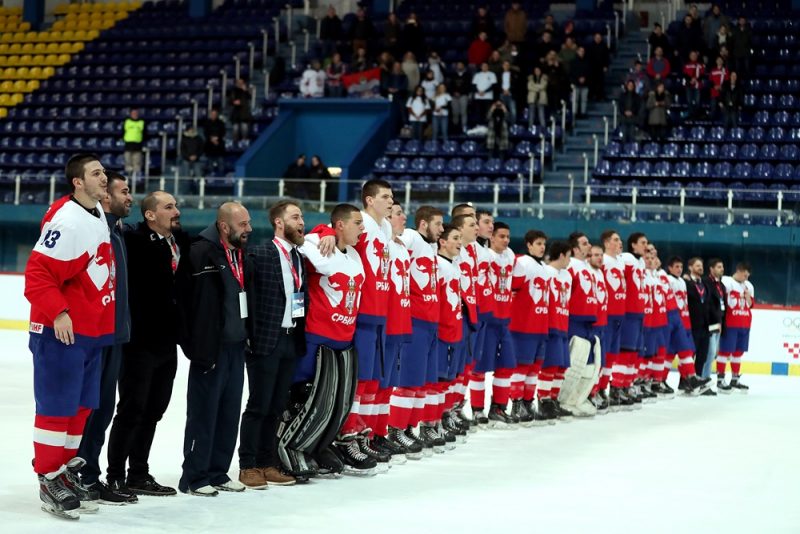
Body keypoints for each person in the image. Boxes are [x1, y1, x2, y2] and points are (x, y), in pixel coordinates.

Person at [25, 153, 115, 519]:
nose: (104, 177)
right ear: (78, 182)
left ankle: (62, 470)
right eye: (96, 173)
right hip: (62, 332)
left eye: (104, 171)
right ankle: (48, 476)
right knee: (57, 406)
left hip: (91, 331)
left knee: (80, 406)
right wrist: (58, 312)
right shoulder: (68, 219)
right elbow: (37, 273)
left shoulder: (96, 212)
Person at [106, 190, 187, 498]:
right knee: (131, 409)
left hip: (168, 344)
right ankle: (115, 476)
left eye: (176, 204)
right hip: (138, 343)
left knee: (154, 410)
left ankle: (138, 472)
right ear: (151, 215)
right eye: (169, 206)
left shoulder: (178, 242)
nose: (176, 210)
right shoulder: (134, 241)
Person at [178, 202, 253, 496]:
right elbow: (185, 307)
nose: (248, 229)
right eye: (242, 224)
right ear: (224, 226)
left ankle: (218, 471)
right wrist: (196, 349)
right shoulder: (199, 253)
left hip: (236, 348)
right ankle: (194, 477)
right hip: (211, 350)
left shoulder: (240, 253)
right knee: (204, 414)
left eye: (248, 223)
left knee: (228, 413)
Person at [291, 204, 371, 473]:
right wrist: (323, 230)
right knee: (304, 397)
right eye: (357, 223)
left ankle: (320, 445)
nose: (362, 228)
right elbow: (301, 240)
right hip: (318, 337)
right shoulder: (318, 241)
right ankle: (292, 447)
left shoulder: (356, 256)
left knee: (335, 403)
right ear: (340, 225)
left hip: (344, 341)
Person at [238, 201, 307, 489]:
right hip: (265, 340)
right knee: (259, 405)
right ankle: (248, 465)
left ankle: (267, 462)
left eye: (301, 216)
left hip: (290, 339)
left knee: (277, 406)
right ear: (279, 222)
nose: (301, 221)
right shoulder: (261, 252)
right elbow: (249, 297)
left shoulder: (298, 256)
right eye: (295, 217)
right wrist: (249, 335)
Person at [75, 171, 133, 505]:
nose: (130, 198)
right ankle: (78, 474)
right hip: (96, 336)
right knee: (90, 409)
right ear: (106, 197)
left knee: (104, 409)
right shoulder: (95, 232)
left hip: (116, 336)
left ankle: (90, 475)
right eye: (124, 192)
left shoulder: (118, 231)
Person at [398, 206, 445, 452]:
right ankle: (397, 430)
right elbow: (392, 246)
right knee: (408, 380)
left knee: (422, 382)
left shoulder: (431, 247)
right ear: (424, 224)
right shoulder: (411, 236)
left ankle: (411, 427)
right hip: (415, 321)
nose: (442, 229)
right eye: (438, 224)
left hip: (431, 323)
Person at [384, 204, 425, 458]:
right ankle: (387, 430)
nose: (403, 217)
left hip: (401, 319)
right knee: (374, 384)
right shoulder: (380, 242)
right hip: (383, 320)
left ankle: (385, 432)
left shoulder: (401, 246)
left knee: (388, 383)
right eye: (397, 213)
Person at [472, 221, 517, 426]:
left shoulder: (511, 256)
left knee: (507, 365)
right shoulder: (485, 255)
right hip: (488, 319)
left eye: (508, 236)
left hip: (505, 319)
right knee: (480, 367)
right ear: (491, 238)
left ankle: (499, 407)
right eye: (501, 236)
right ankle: (477, 409)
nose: (506, 240)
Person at [508, 230, 550, 425]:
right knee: (521, 367)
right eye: (538, 243)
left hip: (540, 325)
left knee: (534, 368)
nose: (542, 247)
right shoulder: (523, 262)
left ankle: (527, 401)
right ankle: (516, 403)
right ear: (529, 245)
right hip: (523, 325)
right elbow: (511, 287)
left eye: (544, 244)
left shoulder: (543, 267)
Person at [560, 232, 600, 417]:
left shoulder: (586, 268)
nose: (589, 245)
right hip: (574, 319)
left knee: (589, 363)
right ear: (575, 249)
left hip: (588, 320)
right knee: (574, 360)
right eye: (585, 243)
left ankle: (577, 398)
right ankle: (564, 400)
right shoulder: (571, 268)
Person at [433, 224, 465, 448]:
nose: (459, 243)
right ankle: (430, 424)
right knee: (437, 380)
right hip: (441, 330)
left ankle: (441, 419)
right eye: (455, 238)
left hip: (454, 329)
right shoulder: (437, 265)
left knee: (447, 380)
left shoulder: (454, 266)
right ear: (442, 241)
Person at [537, 241, 572, 421]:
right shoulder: (546, 272)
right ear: (562, 255)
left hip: (563, 324)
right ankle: (543, 400)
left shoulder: (566, 276)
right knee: (550, 365)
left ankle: (553, 398)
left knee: (561, 365)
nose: (570, 260)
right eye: (569, 256)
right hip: (551, 324)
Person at [665, 256, 710, 395]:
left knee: (687, 351)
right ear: (670, 268)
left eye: (680, 266)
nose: (679, 269)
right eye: (676, 267)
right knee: (671, 354)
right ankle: (661, 380)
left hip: (685, 322)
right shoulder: (668, 280)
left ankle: (687, 380)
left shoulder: (683, 282)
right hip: (674, 322)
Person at [617, 232, 649, 408]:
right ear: (633, 245)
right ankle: (617, 387)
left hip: (639, 313)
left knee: (634, 352)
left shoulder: (641, 262)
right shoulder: (627, 258)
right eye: (642, 243)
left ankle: (627, 385)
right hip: (628, 313)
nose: (646, 246)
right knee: (625, 351)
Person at [600, 230, 628, 411]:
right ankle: (597, 389)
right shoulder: (603, 260)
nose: (620, 243)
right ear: (607, 242)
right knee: (602, 355)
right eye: (616, 240)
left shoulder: (620, 262)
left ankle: (606, 388)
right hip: (607, 314)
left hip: (619, 314)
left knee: (611, 356)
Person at [717, 263, 753, 393]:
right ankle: (720, 379)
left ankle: (735, 379)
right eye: (744, 275)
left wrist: (748, 296)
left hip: (744, 323)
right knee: (724, 351)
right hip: (730, 323)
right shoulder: (727, 282)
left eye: (748, 276)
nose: (746, 278)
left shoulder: (749, 286)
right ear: (738, 271)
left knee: (738, 352)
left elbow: (750, 305)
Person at [685, 257, 714, 395]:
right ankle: (684, 383)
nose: (700, 268)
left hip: (705, 326)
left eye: (701, 266)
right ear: (690, 267)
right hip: (692, 324)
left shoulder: (705, 285)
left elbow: (709, 306)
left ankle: (697, 384)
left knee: (702, 356)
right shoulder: (686, 283)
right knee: (689, 355)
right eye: (697, 266)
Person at [703, 258, 726, 380]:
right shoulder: (706, 282)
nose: (722, 269)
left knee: (713, 353)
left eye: (722, 267)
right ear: (711, 269)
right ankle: (704, 378)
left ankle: (705, 377)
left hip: (718, 322)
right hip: (710, 322)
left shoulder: (721, 285)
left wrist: (721, 322)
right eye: (718, 267)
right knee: (710, 353)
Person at [586, 33, 610, 101]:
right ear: (594, 38)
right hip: (592, 68)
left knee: (600, 82)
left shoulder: (604, 46)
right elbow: (588, 57)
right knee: (592, 82)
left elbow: (606, 57)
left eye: (599, 37)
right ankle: (591, 95)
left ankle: (600, 96)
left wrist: (606, 66)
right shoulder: (590, 46)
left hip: (601, 68)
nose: (598, 39)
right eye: (596, 37)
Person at [202, 108, 226, 174]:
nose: (213, 115)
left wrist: (217, 138)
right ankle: (210, 177)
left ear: (217, 114)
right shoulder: (207, 123)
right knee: (210, 163)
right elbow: (205, 133)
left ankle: (221, 177)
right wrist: (211, 139)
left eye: (215, 114)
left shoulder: (221, 123)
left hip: (219, 145)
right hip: (209, 146)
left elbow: (223, 132)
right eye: (212, 114)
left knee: (221, 163)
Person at [448, 62, 470, 133]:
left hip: (463, 95)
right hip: (454, 96)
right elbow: (450, 85)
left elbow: (468, 86)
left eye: (461, 65)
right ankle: (455, 127)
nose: (459, 66)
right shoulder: (453, 75)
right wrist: (454, 93)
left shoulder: (467, 75)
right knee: (455, 112)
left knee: (463, 112)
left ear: (463, 66)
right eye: (458, 65)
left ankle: (464, 126)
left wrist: (460, 92)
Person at [683, 50, 705, 118]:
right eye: (692, 55)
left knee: (697, 101)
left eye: (695, 55)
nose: (693, 56)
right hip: (689, 85)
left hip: (698, 86)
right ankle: (691, 114)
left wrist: (696, 79)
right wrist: (690, 80)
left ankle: (696, 115)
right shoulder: (686, 65)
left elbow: (702, 74)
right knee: (689, 101)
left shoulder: (700, 65)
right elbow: (684, 74)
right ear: (689, 56)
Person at [122, 108, 144, 177]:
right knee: (128, 162)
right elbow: (122, 131)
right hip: (128, 145)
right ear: (131, 114)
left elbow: (145, 133)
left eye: (136, 113)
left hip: (138, 145)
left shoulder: (141, 122)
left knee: (137, 163)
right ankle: (128, 178)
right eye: (133, 113)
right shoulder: (127, 121)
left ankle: (136, 179)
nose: (134, 114)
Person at [709, 56, 729, 121]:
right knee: (713, 108)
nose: (719, 61)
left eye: (721, 60)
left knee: (723, 109)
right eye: (718, 60)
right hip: (714, 93)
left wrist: (721, 87)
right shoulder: (712, 70)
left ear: (723, 62)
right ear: (716, 61)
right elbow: (710, 81)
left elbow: (727, 81)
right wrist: (715, 86)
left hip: (722, 94)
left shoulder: (726, 71)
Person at [571, 46, 589, 118]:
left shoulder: (587, 62)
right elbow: (572, 72)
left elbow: (589, 72)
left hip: (585, 83)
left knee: (584, 100)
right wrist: (578, 79)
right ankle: (574, 113)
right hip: (575, 83)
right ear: (577, 52)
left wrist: (584, 78)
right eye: (580, 51)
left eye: (583, 51)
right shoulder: (573, 62)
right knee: (575, 100)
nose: (582, 53)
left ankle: (583, 113)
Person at [498, 60, 517, 125]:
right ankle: (504, 126)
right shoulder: (499, 74)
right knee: (503, 111)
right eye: (505, 65)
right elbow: (497, 84)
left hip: (510, 94)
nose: (506, 66)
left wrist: (509, 90)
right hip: (502, 94)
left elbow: (515, 84)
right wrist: (503, 90)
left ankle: (512, 125)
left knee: (513, 111)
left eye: (507, 65)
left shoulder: (513, 74)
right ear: (502, 66)